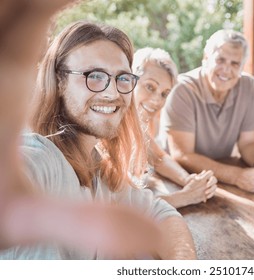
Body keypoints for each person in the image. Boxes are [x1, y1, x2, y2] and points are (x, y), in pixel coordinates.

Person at [0, 20, 196, 259]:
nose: (112, 93)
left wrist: (184, 263)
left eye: (122, 78)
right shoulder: (42, 157)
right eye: (94, 75)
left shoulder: (98, 168)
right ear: (59, 82)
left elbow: (159, 212)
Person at [160, 29, 254, 193]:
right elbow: (183, 155)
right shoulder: (182, 90)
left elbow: (249, 142)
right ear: (205, 59)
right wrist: (237, 176)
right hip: (180, 181)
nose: (226, 70)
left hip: (220, 177)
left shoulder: (247, 86)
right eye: (220, 60)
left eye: (235, 64)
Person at [132, 47, 217, 208]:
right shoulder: (108, 127)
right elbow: (126, 208)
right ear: (129, 80)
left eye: (164, 93)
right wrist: (186, 196)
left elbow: (159, 158)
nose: (157, 100)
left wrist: (188, 180)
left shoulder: (135, 126)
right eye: (150, 86)